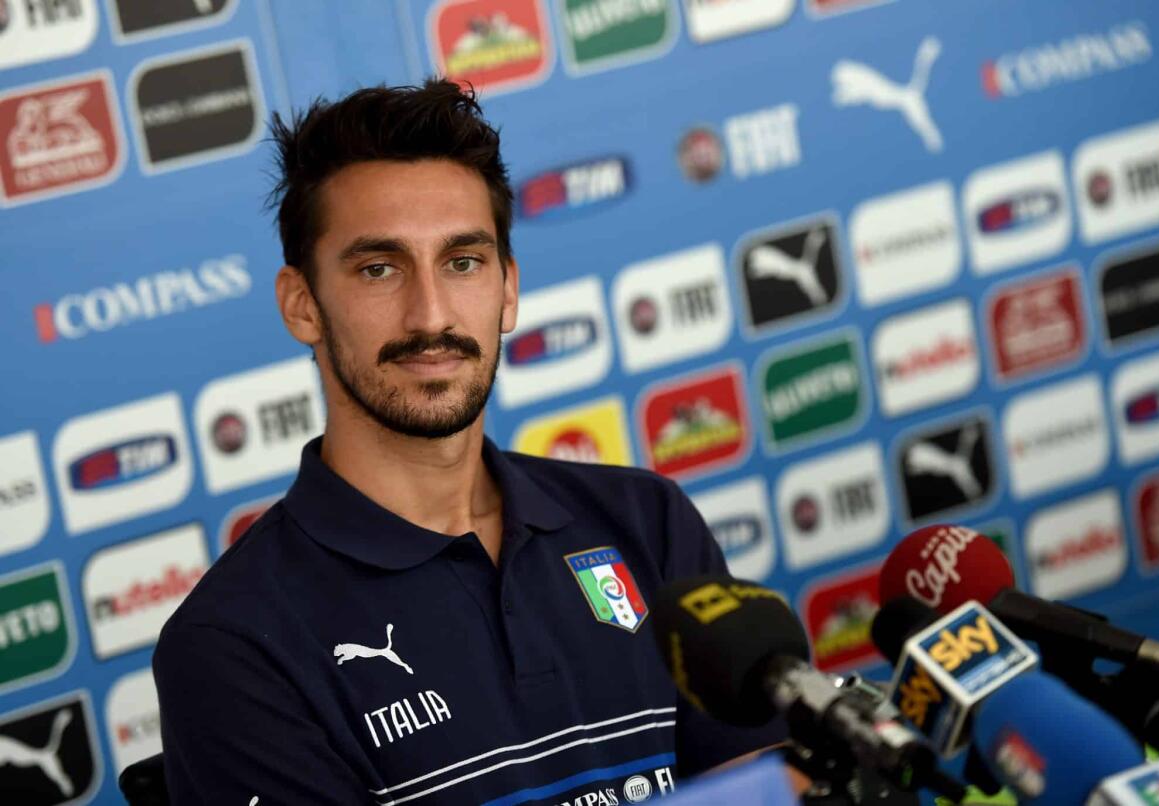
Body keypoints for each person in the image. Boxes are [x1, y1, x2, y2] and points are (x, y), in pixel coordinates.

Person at [152, 78, 784, 805]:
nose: (431, 314)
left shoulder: (648, 523)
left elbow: (762, 784)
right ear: (302, 305)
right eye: (379, 268)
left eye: (462, 262)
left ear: (507, 290)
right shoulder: (234, 644)